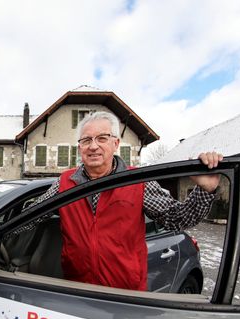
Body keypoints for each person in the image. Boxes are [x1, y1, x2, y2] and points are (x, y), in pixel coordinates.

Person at [30, 111, 222, 291]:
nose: (93, 146)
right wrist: (0, 229)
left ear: (116, 143)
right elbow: (32, 214)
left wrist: (206, 190)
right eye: (86, 140)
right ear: (80, 147)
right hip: (78, 289)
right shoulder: (64, 182)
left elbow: (178, 219)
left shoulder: (138, 182)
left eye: (102, 138)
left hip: (125, 295)